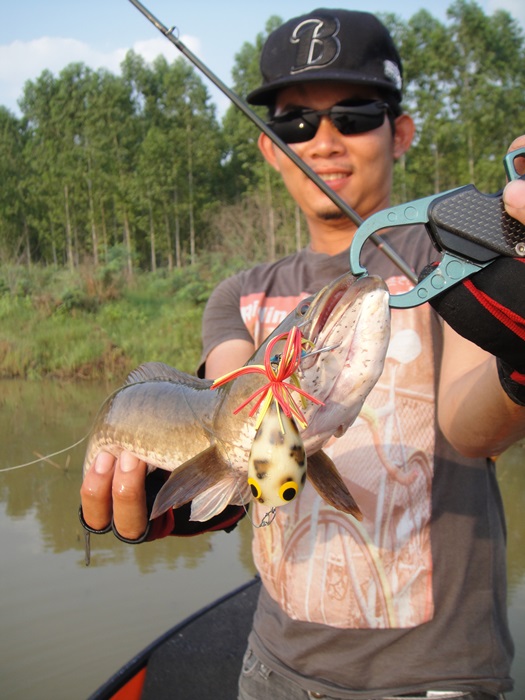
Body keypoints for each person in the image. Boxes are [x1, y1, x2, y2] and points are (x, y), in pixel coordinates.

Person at [80, 9, 525, 699]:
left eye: (353, 115)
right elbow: (231, 413)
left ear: (398, 131)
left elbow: (473, 429)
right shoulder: (241, 295)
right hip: (274, 670)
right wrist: (193, 484)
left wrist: (520, 359)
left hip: (437, 677)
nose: (323, 141)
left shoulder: (455, 264)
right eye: (294, 123)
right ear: (269, 147)